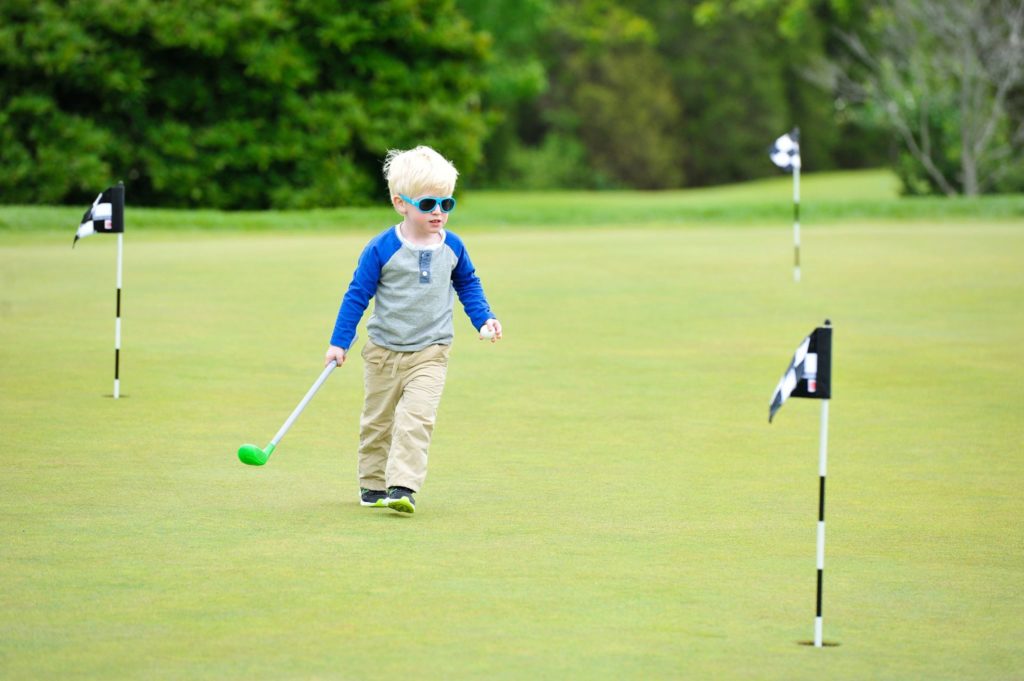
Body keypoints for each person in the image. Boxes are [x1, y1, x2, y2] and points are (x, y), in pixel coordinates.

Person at [325, 146, 501, 514]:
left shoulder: (453, 246)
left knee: (416, 418)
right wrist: (339, 342)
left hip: (431, 352)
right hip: (383, 352)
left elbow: (467, 283)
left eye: (447, 204)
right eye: (428, 204)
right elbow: (357, 295)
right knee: (378, 423)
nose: (438, 212)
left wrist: (484, 317)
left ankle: (403, 486)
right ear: (400, 203)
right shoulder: (382, 248)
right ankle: (372, 485)